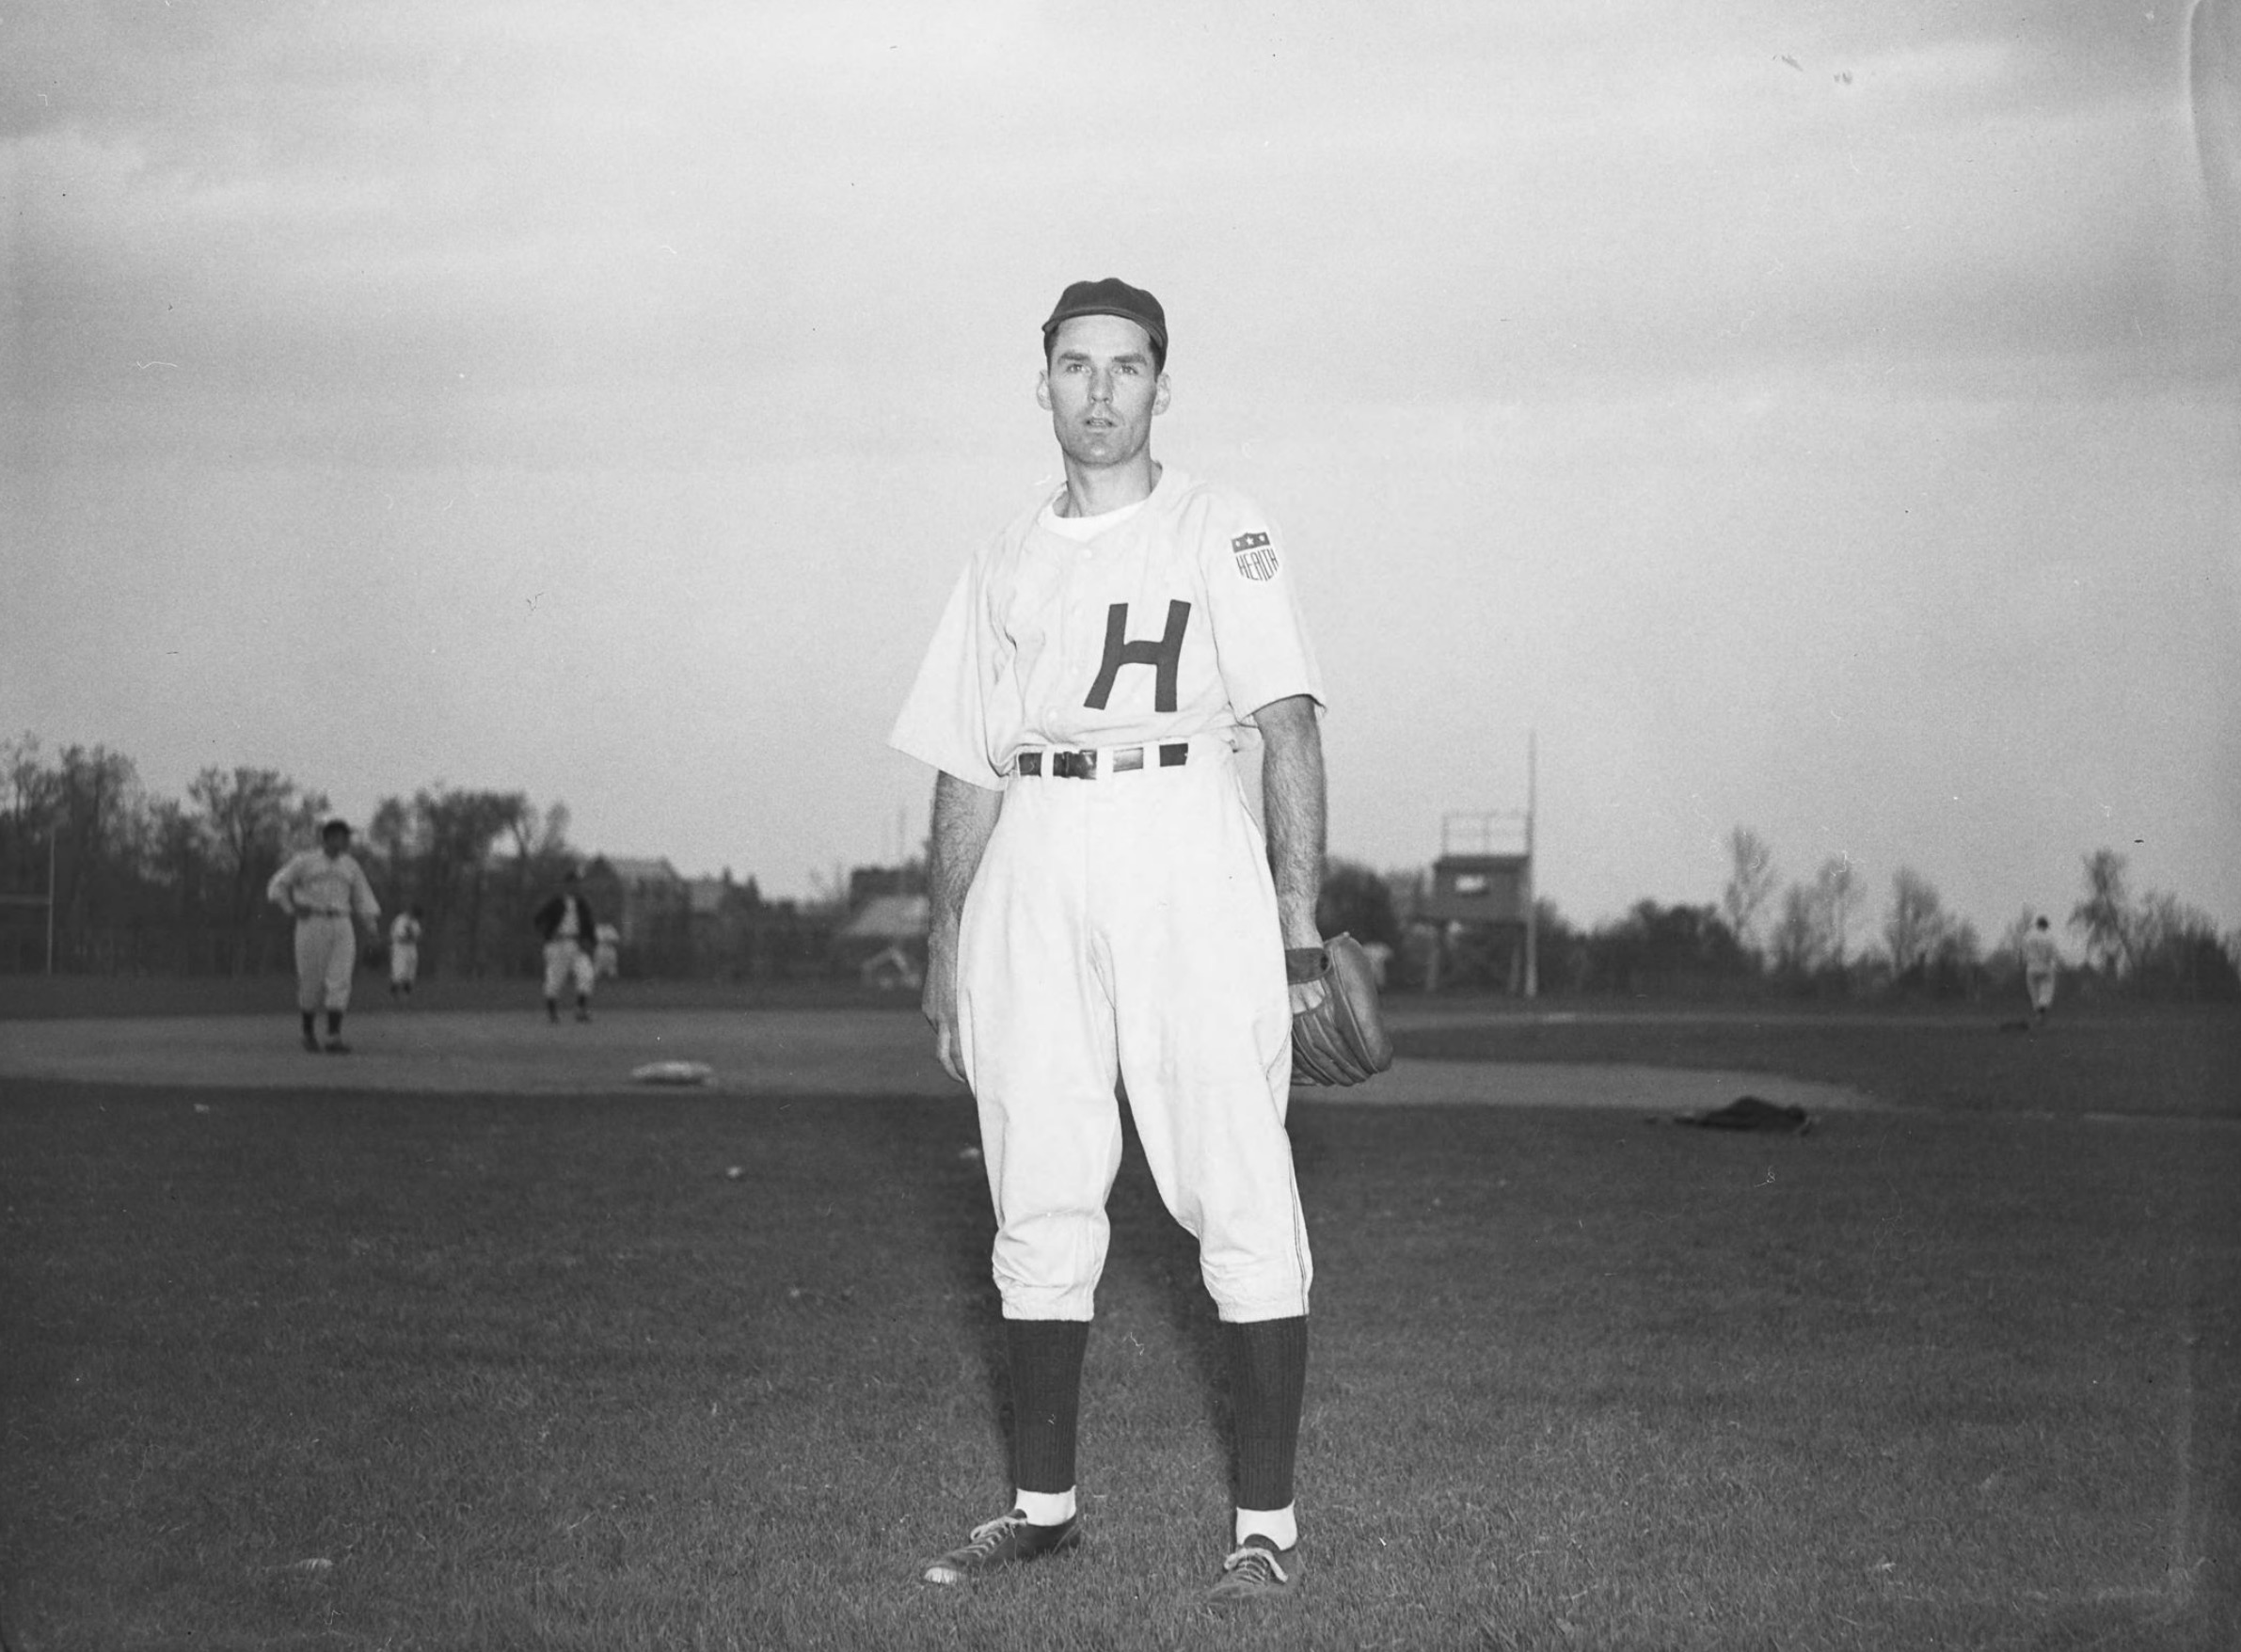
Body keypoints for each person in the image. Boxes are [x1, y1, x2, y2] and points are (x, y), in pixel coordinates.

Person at [889, 278, 1331, 1603]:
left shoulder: (1218, 524)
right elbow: (968, 762)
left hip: (1184, 835)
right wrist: (945, 931)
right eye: (1073, 366)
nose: (1097, 390)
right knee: (1036, 1169)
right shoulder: (1003, 557)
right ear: (1041, 383)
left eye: (1123, 366)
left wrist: (1297, 919)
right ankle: (1040, 1509)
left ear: (1159, 383)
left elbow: (1290, 720)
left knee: (1232, 1173)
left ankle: (1264, 1526)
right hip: (1035, 847)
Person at [266, 818, 381, 1054]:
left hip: (341, 921)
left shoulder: (350, 865)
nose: (346, 840)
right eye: (342, 836)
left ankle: (333, 1036)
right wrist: (291, 908)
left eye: (347, 836)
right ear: (328, 838)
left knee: (340, 979)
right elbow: (277, 886)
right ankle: (307, 1033)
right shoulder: (305, 862)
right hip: (311, 922)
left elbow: (362, 897)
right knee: (311, 979)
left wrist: (371, 929)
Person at [533, 868, 599, 1024]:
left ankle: (581, 1009)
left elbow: (589, 925)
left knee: (586, 974)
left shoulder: (582, 904)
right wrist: (548, 934)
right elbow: (538, 919)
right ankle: (552, 1013)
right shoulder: (556, 902)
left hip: (576, 944)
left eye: (578, 884)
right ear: (567, 884)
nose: (576, 887)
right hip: (557, 944)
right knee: (555, 978)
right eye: (573, 883)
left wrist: (592, 942)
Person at [2022, 914, 2061, 1025]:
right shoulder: (2049, 937)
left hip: (2031, 967)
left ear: (2037, 925)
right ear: (2046, 926)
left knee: (2034, 992)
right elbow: (2054, 953)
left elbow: (2023, 951)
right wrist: (2055, 964)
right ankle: (2042, 1011)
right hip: (2045, 966)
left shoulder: (2028, 936)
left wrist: (2026, 961)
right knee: (2046, 990)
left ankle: (2037, 1012)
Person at [389, 905, 423, 1001]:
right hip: (400, 947)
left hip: (411, 947)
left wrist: (413, 937)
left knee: (410, 972)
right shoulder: (401, 920)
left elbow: (418, 935)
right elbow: (400, 936)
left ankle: (407, 996)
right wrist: (411, 936)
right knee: (399, 971)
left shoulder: (415, 922)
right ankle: (394, 995)